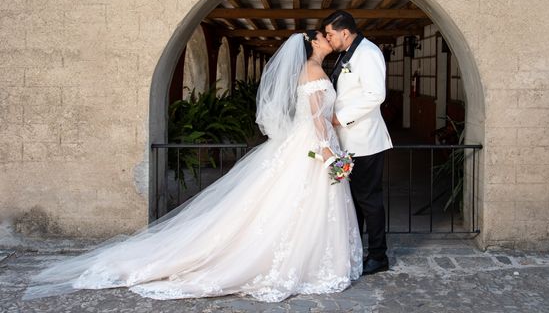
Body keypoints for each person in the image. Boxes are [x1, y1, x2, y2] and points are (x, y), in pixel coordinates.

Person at [23, 31, 362, 302]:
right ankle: (305, 261)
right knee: (294, 204)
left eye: (326, 35)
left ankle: (309, 257)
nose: (326, 39)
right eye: (322, 37)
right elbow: (318, 121)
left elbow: (319, 118)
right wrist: (329, 153)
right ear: (312, 45)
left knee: (289, 205)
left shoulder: (314, 70)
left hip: (304, 145)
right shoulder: (313, 71)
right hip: (311, 146)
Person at [322, 11, 393, 276]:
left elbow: (376, 94)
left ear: (345, 32)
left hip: (365, 141)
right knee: (354, 200)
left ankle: (378, 256)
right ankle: (356, 250)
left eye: (330, 33)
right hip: (346, 143)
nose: (328, 38)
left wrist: (340, 118)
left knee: (369, 200)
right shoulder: (346, 54)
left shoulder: (368, 53)